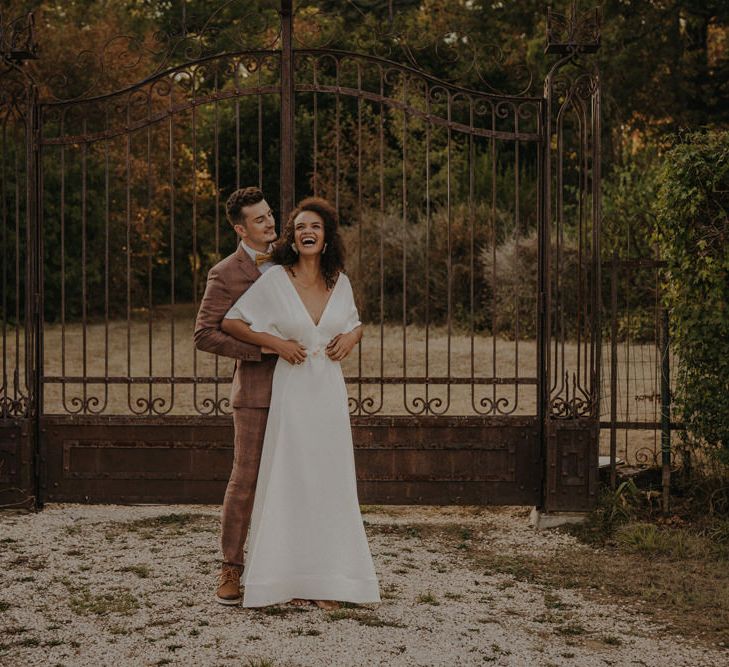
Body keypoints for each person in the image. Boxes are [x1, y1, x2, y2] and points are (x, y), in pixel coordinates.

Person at [221, 196, 381, 609]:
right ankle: (281, 579)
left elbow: (355, 322)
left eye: (317, 227)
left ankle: (330, 581)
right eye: (300, 228)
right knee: (291, 482)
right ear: (293, 238)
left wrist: (351, 337)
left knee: (330, 483)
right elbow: (231, 321)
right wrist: (275, 344)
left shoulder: (339, 281)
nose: (308, 232)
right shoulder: (275, 281)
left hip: (327, 393)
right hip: (291, 395)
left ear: (326, 239)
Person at [193, 186, 279, 606]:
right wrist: (260, 350)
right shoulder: (225, 273)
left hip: (302, 388)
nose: (270, 222)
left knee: (295, 480)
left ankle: (289, 569)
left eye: (270, 214)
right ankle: (231, 567)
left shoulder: (294, 260)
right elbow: (204, 333)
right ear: (240, 228)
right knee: (244, 479)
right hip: (257, 392)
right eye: (260, 219)